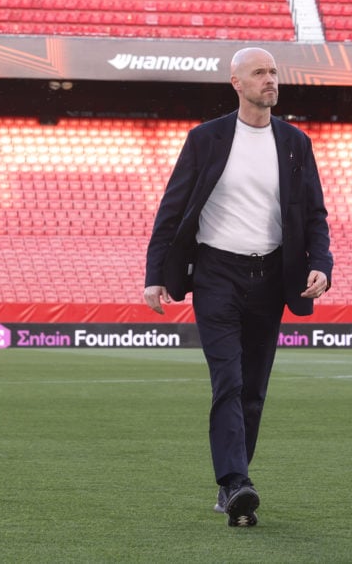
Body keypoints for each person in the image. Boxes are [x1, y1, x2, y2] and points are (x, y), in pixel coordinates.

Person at [143, 46, 333, 527]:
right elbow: (173, 208)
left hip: (272, 277)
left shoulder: (295, 142)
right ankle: (234, 483)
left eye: (273, 72)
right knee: (227, 381)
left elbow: (314, 213)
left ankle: (234, 483)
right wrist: (154, 275)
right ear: (237, 83)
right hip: (216, 275)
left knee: (254, 391)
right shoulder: (205, 139)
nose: (270, 80)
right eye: (259, 73)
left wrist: (322, 263)